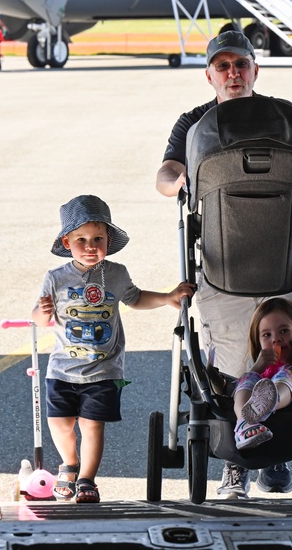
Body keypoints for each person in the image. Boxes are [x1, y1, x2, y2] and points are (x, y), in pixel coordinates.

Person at [154, 29, 292, 498]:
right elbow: (166, 174)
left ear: (255, 69)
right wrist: (181, 179)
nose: (233, 73)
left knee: (284, 352)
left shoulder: (282, 117)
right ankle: (239, 463)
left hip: (280, 257)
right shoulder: (193, 123)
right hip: (221, 262)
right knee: (232, 357)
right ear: (209, 74)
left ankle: (276, 454)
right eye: (223, 65)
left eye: (240, 64)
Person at [31, 195, 194, 504]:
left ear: (108, 239)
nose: (90, 246)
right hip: (62, 368)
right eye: (81, 239)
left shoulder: (117, 273)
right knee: (60, 423)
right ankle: (69, 464)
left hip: (104, 369)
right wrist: (42, 310)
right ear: (67, 241)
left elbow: (134, 298)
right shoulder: (55, 278)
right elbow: (39, 320)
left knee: (92, 426)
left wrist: (167, 297)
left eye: (98, 238)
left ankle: (88, 479)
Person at [232, 298, 292, 450]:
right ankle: (244, 422)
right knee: (248, 378)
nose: (276, 339)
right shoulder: (264, 367)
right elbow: (247, 382)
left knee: (287, 376)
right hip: (255, 398)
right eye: (267, 335)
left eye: (284, 331)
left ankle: (270, 400)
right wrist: (258, 366)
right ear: (258, 342)